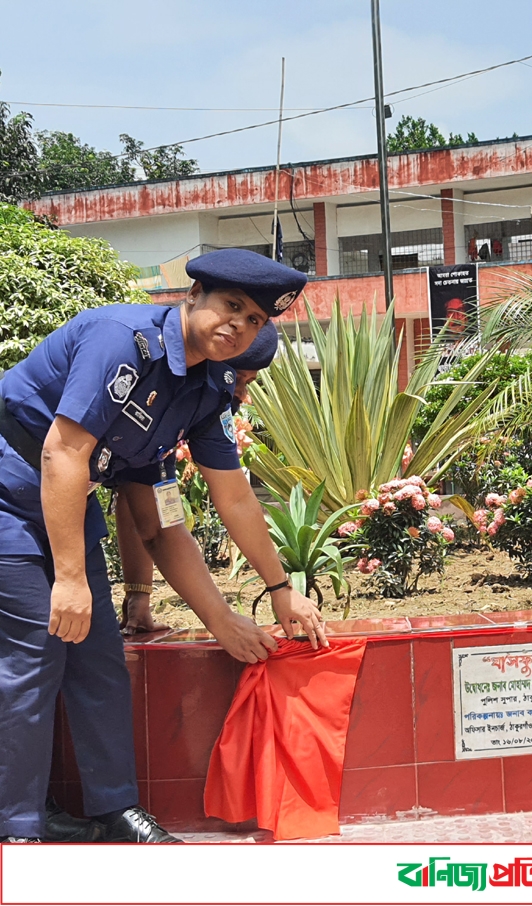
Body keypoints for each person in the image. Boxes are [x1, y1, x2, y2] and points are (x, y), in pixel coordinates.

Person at [0, 249, 328, 843]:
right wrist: (71, 579)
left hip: (66, 504)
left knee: (97, 657)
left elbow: (211, 508)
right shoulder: (120, 339)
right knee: (35, 654)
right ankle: (16, 826)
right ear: (195, 292)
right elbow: (63, 453)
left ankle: (113, 809)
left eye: (255, 320)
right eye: (232, 306)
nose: (239, 327)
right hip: (10, 489)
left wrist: (277, 592)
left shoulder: (205, 391)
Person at [117, 321, 279, 634]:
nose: (243, 396)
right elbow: (148, 518)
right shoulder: (168, 390)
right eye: (239, 380)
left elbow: (137, 493)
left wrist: (138, 597)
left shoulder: (203, 406)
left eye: (250, 383)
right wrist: (223, 620)